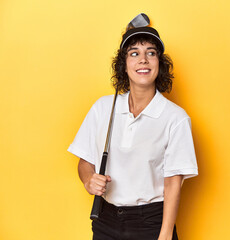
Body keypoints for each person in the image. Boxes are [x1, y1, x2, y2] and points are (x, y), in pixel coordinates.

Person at [68, 14, 198, 240]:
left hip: (151, 223)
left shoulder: (175, 118)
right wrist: (89, 179)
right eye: (134, 53)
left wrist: (165, 234)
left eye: (151, 53)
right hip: (105, 220)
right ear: (124, 65)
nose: (143, 60)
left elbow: (173, 182)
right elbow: (85, 161)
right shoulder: (103, 107)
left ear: (160, 64)